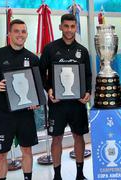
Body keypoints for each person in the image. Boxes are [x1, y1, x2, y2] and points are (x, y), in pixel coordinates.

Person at [0, 19, 39, 180]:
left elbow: (38, 86)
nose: (20, 34)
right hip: (3, 114)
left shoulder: (32, 58)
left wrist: (36, 101)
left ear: (26, 34)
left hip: (25, 114)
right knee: (1, 154)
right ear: (9, 34)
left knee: (27, 151)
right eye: (16, 31)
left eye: (23, 31)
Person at [39, 14, 92, 180]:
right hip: (57, 103)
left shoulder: (82, 51)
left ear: (76, 27)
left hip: (77, 103)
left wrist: (88, 92)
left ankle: (80, 173)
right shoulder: (49, 49)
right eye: (66, 26)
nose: (69, 30)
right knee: (57, 138)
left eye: (72, 26)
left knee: (79, 136)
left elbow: (88, 75)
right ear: (60, 27)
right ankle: (57, 175)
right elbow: (41, 73)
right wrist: (48, 90)